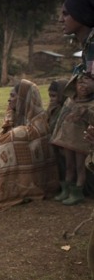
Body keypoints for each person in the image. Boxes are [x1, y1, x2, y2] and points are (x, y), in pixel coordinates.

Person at [0, 79, 58, 210]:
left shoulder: (39, 121)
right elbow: (6, 135)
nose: (9, 99)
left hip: (38, 175)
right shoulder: (16, 116)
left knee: (1, 150)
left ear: (24, 99)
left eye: (13, 96)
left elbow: (17, 137)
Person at [50, 74, 94, 205]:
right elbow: (61, 119)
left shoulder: (91, 103)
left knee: (80, 166)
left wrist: (85, 113)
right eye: (80, 83)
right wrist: (57, 137)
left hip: (81, 140)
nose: (82, 86)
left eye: (86, 83)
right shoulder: (70, 101)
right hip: (67, 138)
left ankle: (77, 192)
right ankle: (67, 189)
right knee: (69, 165)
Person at [47, 78, 70, 180]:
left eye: (54, 96)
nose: (51, 99)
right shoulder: (53, 109)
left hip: (65, 149)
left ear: (63, 95)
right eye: (50, 96)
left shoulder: (68, 110)